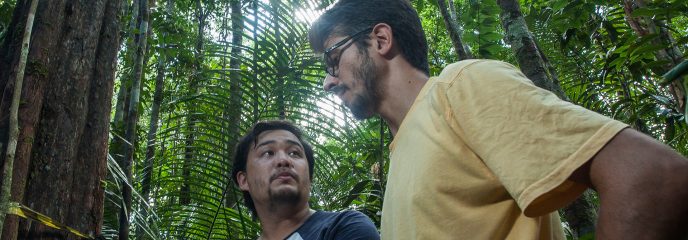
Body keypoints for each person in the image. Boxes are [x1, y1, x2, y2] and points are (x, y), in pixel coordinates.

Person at [308, 0, 688, 239]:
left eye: (332, 58)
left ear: (380, 40)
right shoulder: (401, 157)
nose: (328, 80)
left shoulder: (458, 88)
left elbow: (651, 176)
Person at [231, 120, 380, 240]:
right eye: (268, 153)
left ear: (310, 177)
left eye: (294, 153)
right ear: (244, 180)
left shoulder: (343, 227)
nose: (284, 160)